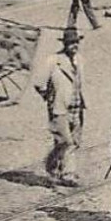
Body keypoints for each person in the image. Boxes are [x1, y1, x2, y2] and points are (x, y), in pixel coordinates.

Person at [40, 27, 86, 187]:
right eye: (70, 43)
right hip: (59, 107)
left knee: (74, 140)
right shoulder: (54, 60)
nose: (74, 45)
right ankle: (57, 167)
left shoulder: (79, 59)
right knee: (65, 141)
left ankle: (64, 171)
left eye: (76, 42)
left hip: (77, 107)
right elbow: (40, 83)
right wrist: (50, 98)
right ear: (64, 44)